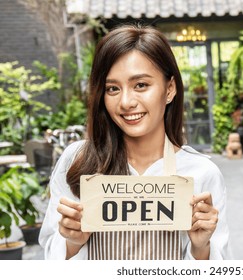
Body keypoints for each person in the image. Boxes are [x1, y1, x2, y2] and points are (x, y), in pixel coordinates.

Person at [39, 24, 230, 260]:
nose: (126, 102)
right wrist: (72, 243)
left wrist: (201, 248)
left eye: (141, 85)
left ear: (169, 89)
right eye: (112, 89)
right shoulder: (77, 161)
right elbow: (50, 256)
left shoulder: (202, 173)